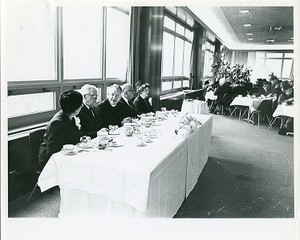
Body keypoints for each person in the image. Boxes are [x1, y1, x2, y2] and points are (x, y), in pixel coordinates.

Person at [39, 90, 83, 168]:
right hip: (51, 162)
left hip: (67, 154)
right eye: (81, 104)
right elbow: (52, 152)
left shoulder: (69, 115)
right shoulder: (57, 123)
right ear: (76, 108)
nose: (82, 106)